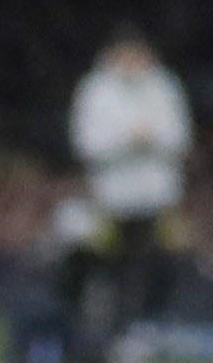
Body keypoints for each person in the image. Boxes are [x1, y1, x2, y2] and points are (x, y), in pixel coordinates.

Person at [67, 28, 192, 346]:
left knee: (159, 263)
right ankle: (108, 336)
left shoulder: (163, 86)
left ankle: (147, 330)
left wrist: (152, 138)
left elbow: (179, 137)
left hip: (157, 197)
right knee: (111, 266)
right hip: (111, 199)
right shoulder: (96, 90)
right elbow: (86, 143)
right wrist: (127, 140)